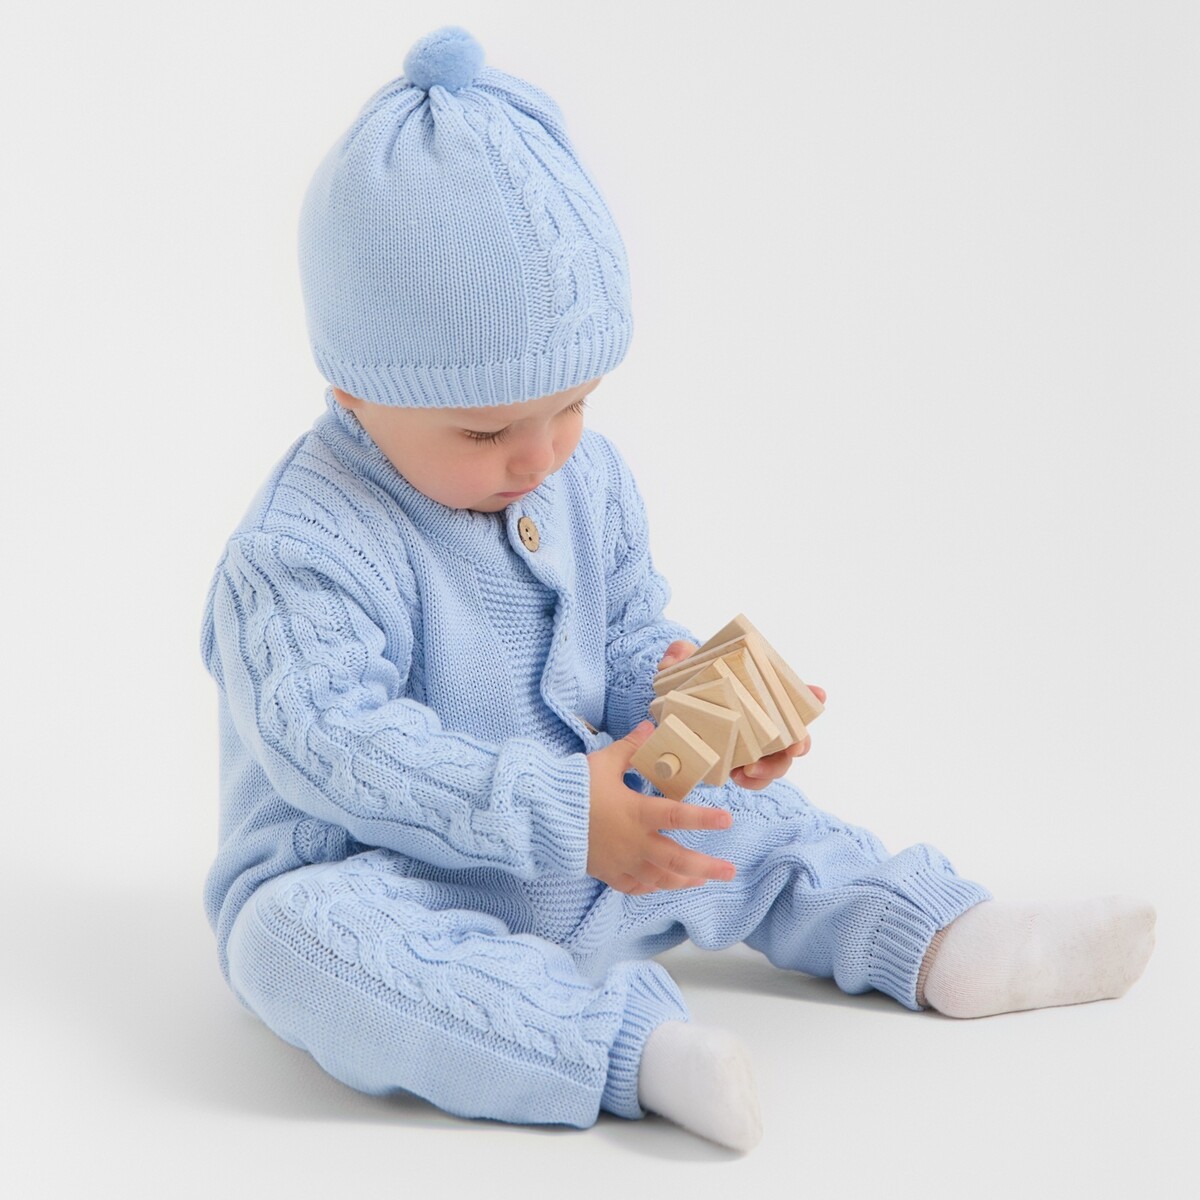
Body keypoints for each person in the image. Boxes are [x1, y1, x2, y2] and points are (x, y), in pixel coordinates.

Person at [200, 26, 1155, 1153]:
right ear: (352, 389)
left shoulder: (583, 477)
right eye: (487, 430)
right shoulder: (303, 547)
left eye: (574, 404)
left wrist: (688, 702)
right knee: (294, 944)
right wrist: (563, 812)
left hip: (612, 841)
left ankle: (944, 938)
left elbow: (622, 630)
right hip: (397, 873)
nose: (541, 454)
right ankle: (626, 1049)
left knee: (752, 826)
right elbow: (335, 744)